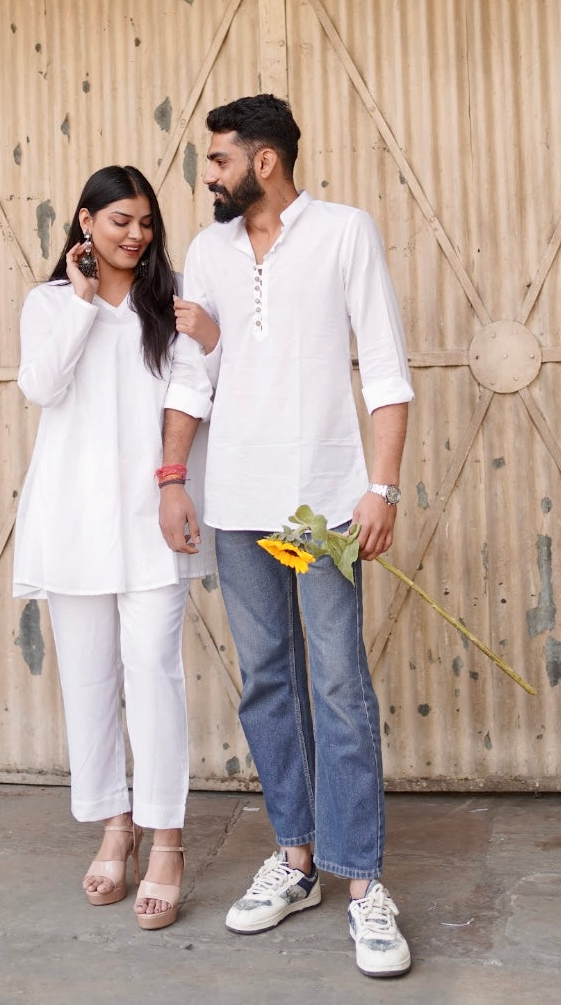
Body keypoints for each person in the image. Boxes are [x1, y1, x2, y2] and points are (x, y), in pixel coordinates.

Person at [158, 95, 414, 976]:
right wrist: (171, 478)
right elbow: (193, 376)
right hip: (239, 504)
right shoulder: (207, 252)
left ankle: (362, 879)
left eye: (218, 159)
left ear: (263, 161)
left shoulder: (344, 232)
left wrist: (379, 488)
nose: (208, 175)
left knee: (337, 683)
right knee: (268, 682)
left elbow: (385, 368)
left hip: (318, 507)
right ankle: (296, 858)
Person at [12, 165, 219, 930]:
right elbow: (42, 388)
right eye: (120, 221)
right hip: (72, 519)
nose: (135, 235)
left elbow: (201, 389)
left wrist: (173, 483)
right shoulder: (47, 303)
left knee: (154, 675)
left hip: (151, 517)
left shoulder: (171, 302)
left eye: (145, 223)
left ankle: (166, 841)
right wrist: (80, 302)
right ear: (85, 223)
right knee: (89, 682)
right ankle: (114, 825)